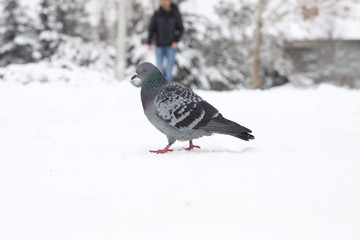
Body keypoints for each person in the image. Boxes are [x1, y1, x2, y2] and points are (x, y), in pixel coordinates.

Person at [147, 0, 184, 82]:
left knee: (169, 70)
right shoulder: (157, 14)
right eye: (162, 1)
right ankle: (160, 89)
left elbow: (181, 29)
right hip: (159, 45)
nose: (164, 2)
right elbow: (151, 28)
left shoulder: (175, 14)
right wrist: (149, 42)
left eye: (166, 0)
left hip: (171, 46)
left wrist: (176, 41)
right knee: (159, 69)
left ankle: (168, 89)